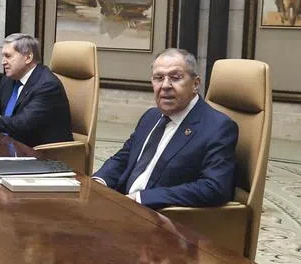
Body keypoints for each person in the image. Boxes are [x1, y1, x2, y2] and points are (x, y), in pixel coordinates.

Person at [93, 48, 237, 209]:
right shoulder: (151, 116)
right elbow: (124, 158)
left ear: (196, 84)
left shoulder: (218, 127)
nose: (165, 85)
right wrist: (98, 182)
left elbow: (214, 188)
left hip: (160, 217)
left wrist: (141, 198)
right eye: (158, 78)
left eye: (175, 78)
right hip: (120, 206)